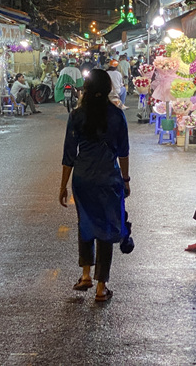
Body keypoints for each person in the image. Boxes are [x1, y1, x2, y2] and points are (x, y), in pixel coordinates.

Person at [59, 69, 130, 302]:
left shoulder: (77, 114)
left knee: (86, 223)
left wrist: (63, 186)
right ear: (109, 87)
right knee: (107, 230)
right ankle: (101, 286)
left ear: (86, 88)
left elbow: (69, 154)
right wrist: (126, 180)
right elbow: (123, 151)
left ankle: (86, 274)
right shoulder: (117, 115)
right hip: (108, 178)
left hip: (83, 179)